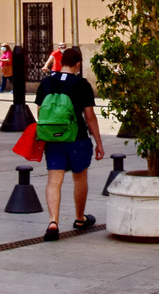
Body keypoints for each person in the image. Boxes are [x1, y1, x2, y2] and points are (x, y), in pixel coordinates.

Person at [32, 46, 105, 241]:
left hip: (53, 139)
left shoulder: (46, 83)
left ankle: (53, 222)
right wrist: (98, 142)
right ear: (78, 64)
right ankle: (80, 218)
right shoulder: (82, 84)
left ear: (61, 61)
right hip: (77, 138)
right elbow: (89, 117)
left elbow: (40, 113)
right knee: (79, 178)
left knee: (54, 181)